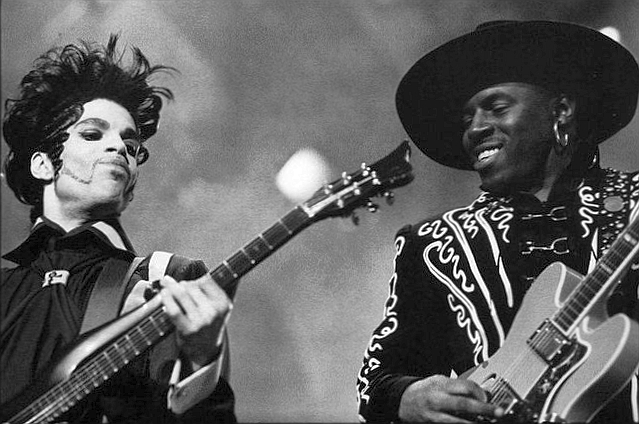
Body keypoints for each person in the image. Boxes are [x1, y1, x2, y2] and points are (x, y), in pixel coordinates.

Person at [357, 20, 639, 424]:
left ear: (561, 111)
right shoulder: (433, 243)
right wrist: (409, 396)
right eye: (466, 119)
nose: (475, 129)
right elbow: (377, 380)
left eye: (497, 107)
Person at [1, 35, 236, 423]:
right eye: (93, 134)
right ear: (42, 165)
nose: (120, 149)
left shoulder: (166, 281)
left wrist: (200, 360)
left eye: (131, 144)